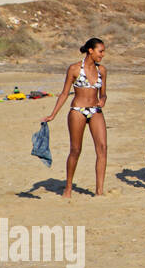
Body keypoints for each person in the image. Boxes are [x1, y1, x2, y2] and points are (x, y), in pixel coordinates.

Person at [42, 38, 110, 197]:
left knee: (102, 148)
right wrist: (53, 114)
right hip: (77, 111)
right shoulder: (74, 69)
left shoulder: (102, 70)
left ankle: (99, 191)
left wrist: (103, 99)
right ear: (90, 51)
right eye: (101, 51)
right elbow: (65, 93)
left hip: (95, 110)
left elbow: (104, 93)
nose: (103, 54)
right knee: (75, 149)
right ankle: (68, 187)